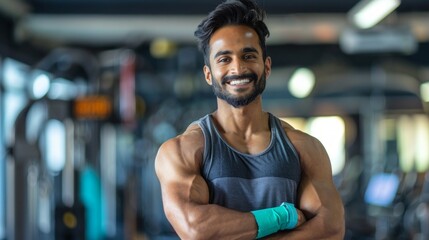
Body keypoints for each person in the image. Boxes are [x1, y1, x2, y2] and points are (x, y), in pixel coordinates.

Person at [154, 0, 345, 239]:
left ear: (266, 66)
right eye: (224, 59)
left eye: (248, 55)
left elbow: (331, 230)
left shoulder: (305, 148)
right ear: (208, 74)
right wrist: (281, 217)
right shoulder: (183, 150)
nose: (238, 68)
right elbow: (196, 229)